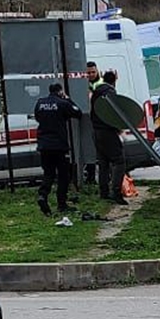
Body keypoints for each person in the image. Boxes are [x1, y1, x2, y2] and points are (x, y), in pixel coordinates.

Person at [34, 83, 83, 216]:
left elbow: (38, 117)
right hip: (59, 146)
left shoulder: (40, 103)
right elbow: (78, 112)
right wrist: (67, 99)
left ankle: (42, 195)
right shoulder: (62, 103)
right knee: (63, 175)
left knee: (48, 173)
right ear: (60, 91)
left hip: (44, 145)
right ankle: (62, 203)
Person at [91, 71, 128, 205]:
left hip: (96, 131)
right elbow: (112, 113)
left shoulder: (97, 91)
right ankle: (116, 193)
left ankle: (104, 192)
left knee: (103, 163)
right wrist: (118, 128)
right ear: (115, 79)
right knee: (119, 161)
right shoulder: (110, 92)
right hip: (107, 131)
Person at [82, 61, 103, 184]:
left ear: (97, 71)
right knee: (89, 149)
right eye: (88, 72)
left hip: (99, 121)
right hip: (88, 121)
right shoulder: (82, 84)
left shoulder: (101, 83)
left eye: (93, 72)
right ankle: (90, 176)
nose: (91, 74)